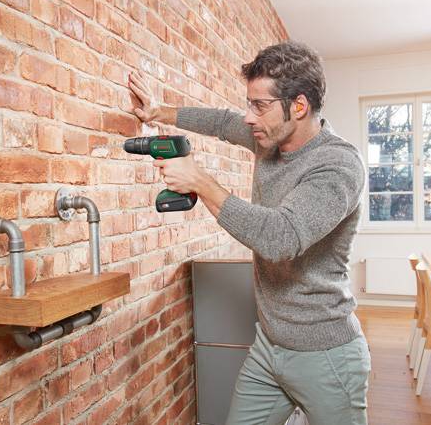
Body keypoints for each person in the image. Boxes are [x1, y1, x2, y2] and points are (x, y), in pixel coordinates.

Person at [128, 40, 370, 425]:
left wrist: (201, 182)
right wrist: (159, 111)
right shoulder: (269, 140)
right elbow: (223, 122)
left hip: (325, 354)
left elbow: (280, 237)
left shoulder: (338, 165)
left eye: (259, 105)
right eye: (249, 103)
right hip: (269, 346)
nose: (248, 117)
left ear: (299, 106)